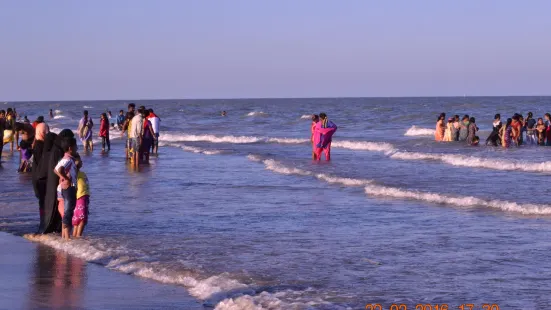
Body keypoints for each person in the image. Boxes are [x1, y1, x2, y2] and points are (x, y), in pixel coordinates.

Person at [40, 129, 75, 234]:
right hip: (59, 184)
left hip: (54, 183)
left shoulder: (55, 149)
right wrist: (65, 178)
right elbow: (59, 169)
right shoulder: (58, 151)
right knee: (62, 209)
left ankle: (59, 231)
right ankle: (62, 233)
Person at [53, 137, 78, 240]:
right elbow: (60, 169)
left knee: (66, 212)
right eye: (75, 146)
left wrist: (62, 177)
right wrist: (67, 178)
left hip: (63, 188)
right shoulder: (68, 160)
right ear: (70, 148)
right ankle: (67, 238)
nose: (77, 148)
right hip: (68, 188)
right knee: (68, 212)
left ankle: (64, 237)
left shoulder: (64, 159)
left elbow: (55, 170)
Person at [72, 155, 90, 238]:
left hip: (85, 197)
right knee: (81, 218)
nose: (81, 162)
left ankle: (75, 237)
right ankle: (78, 236)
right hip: (79, 197)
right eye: (79, 160)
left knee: (80, 218)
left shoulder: (82, 173)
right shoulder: (74, 173)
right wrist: (75, 162)